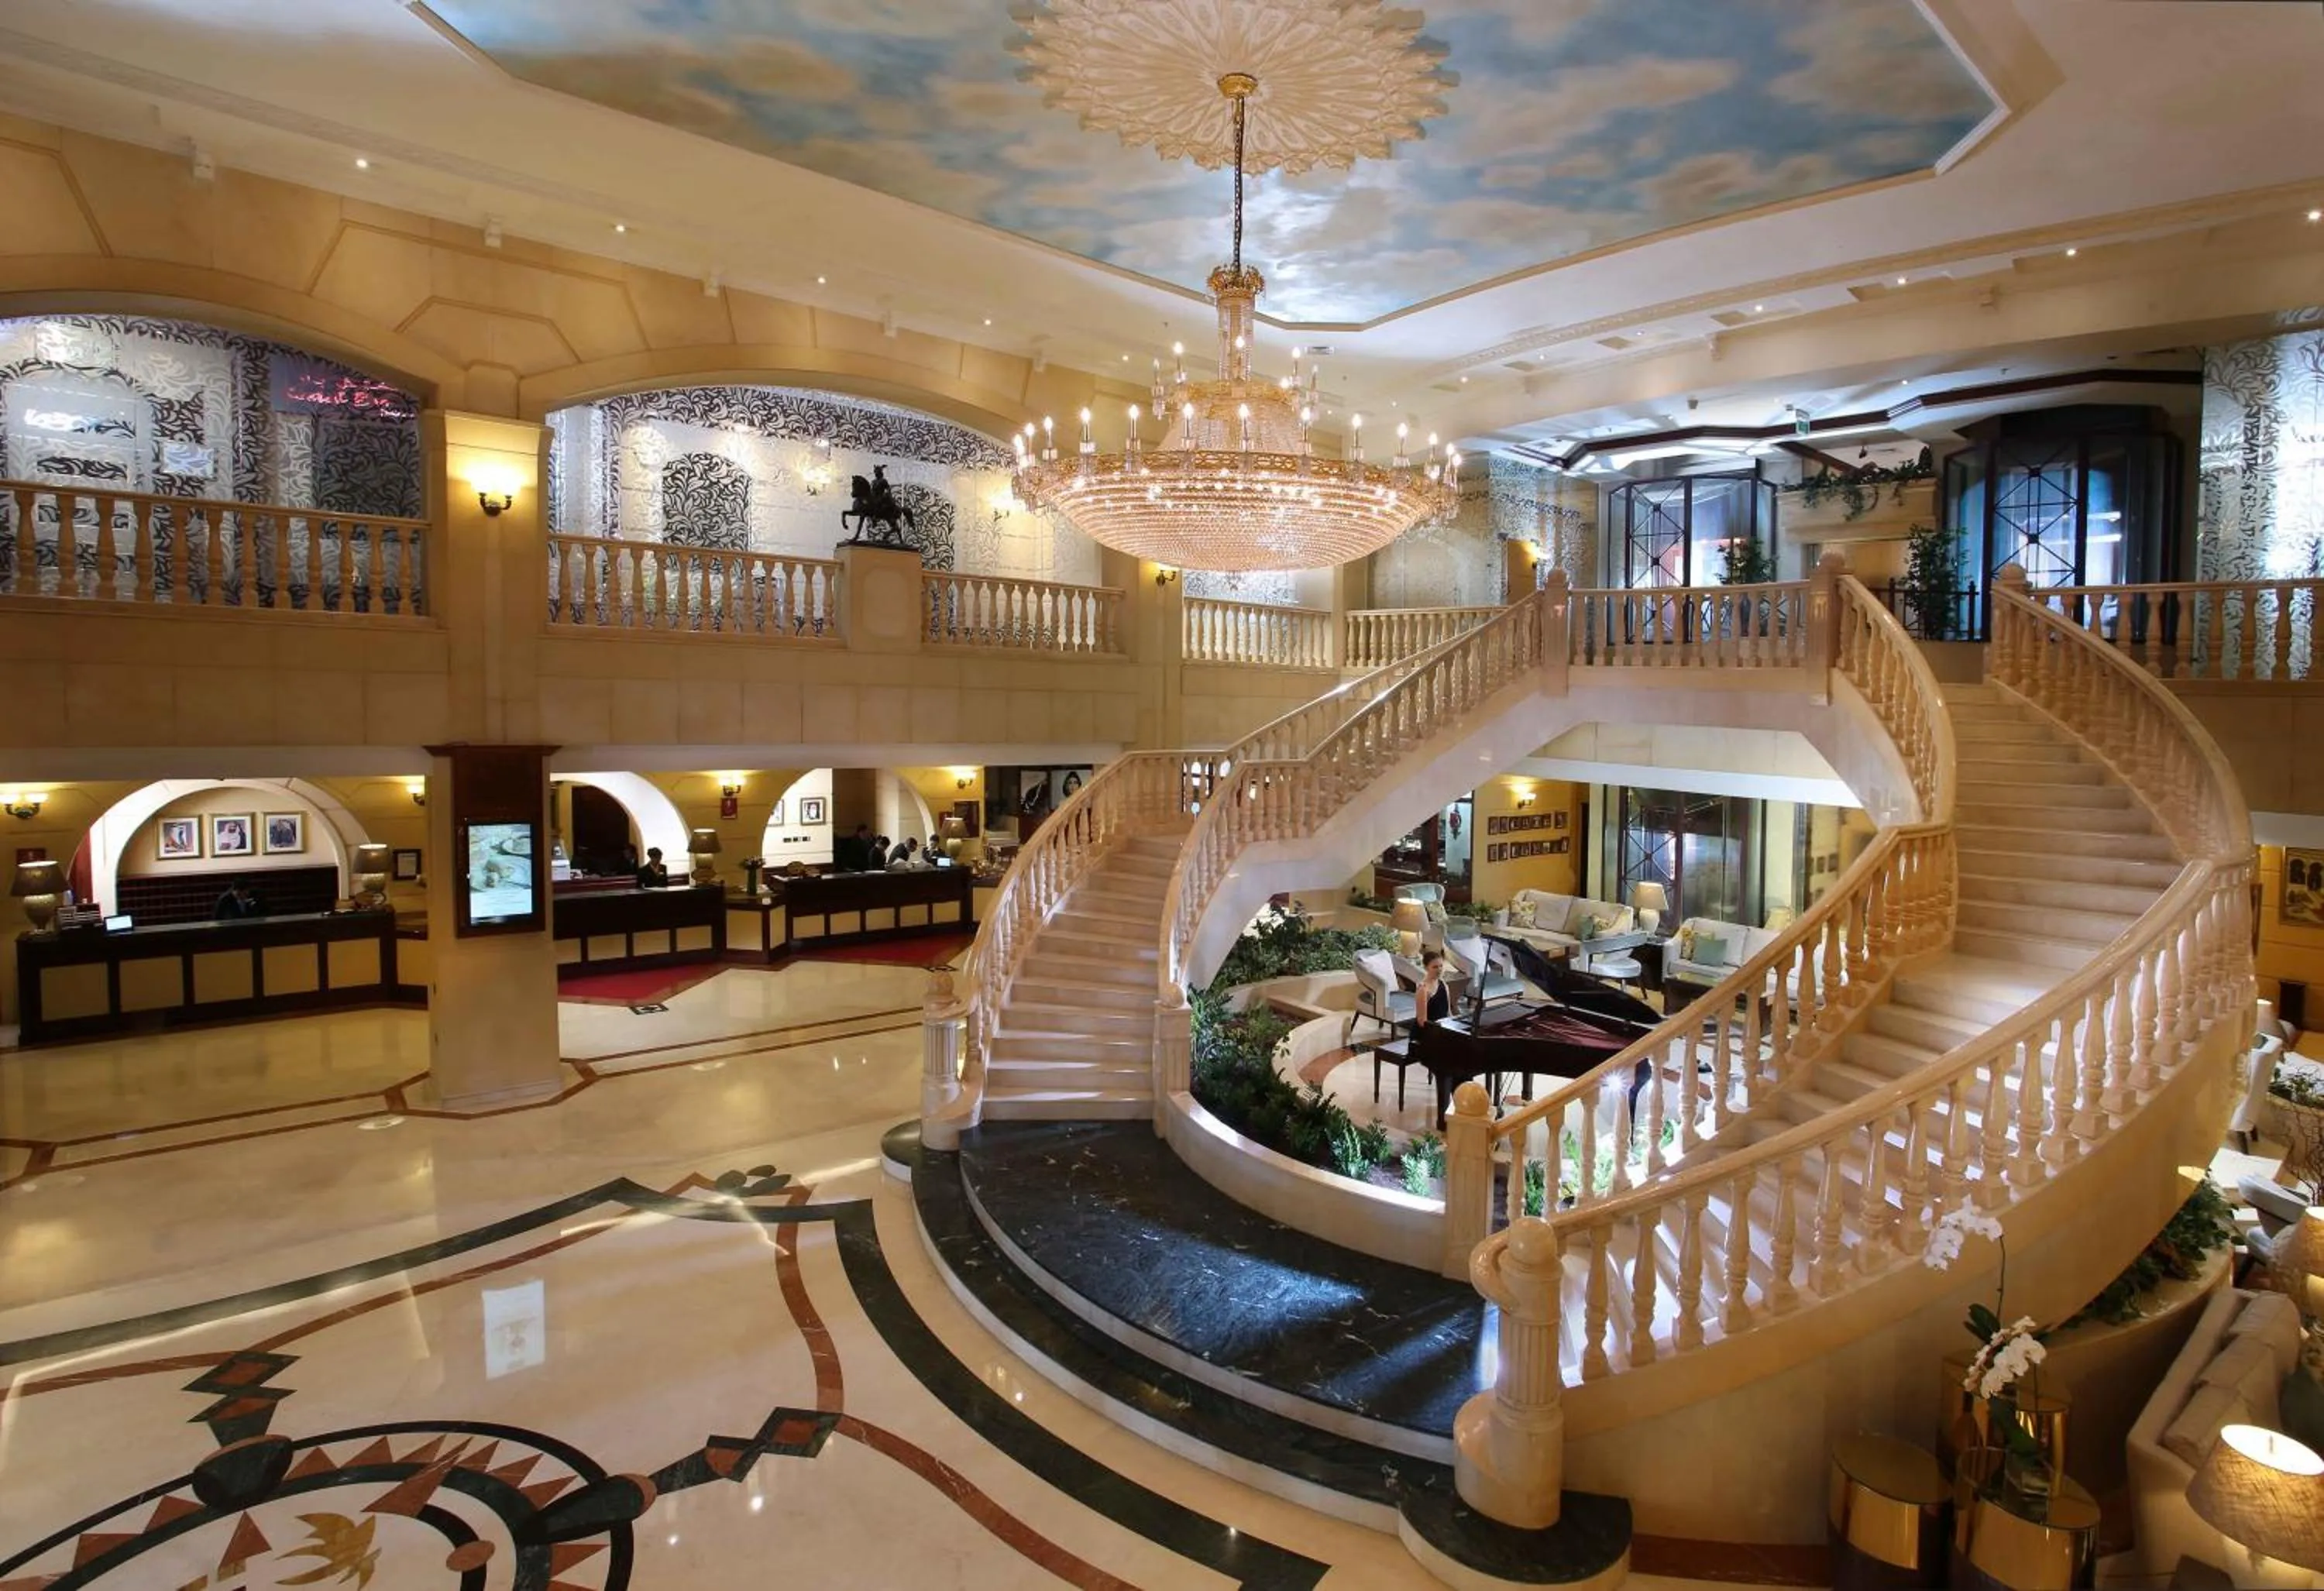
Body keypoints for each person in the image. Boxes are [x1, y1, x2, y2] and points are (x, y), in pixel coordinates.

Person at [1414, 949, 1451, 1027]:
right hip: (1428, 1032)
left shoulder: (1444, 985)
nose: (1439, 970)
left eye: (1441, 966)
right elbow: (1422, 1022)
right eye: (1435, 967)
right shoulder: (1423, 989)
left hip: (1443, 1028)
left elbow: (1448, 1013)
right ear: (1426, 968)